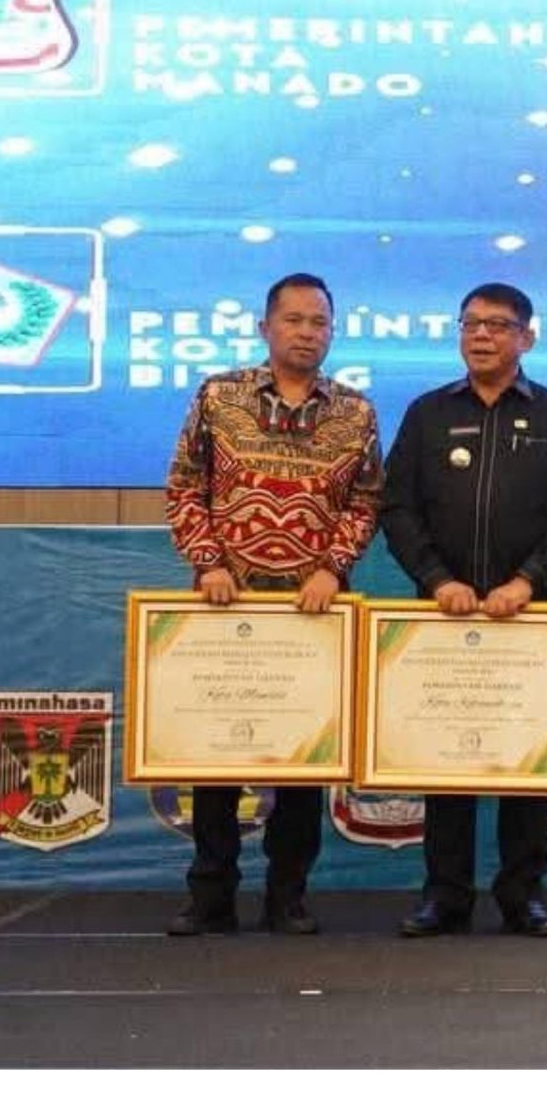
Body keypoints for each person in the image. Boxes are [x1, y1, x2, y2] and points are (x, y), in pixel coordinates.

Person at [160, 272, 381, 936]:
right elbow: (184, 485)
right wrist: (207, 561)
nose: (307, 332)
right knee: (218, 757)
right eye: (294, 320)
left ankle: (289, 894)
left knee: (304, 760)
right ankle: (211, 894)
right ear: (265, 328)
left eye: (319, 322)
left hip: (313, 613)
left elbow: (367, 501)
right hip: (226, 604)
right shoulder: (218, 395)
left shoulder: (356, 412)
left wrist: (333, 568)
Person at [378, 283, 547, 938]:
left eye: (498, 325)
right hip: (444, 614)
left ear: (526, 337)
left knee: (526, 757)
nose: (481, 335)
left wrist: (529, 580)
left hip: (530, 615)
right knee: (445, 757)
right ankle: (444, 895)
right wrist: (435, 578)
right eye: (470, 323)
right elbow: (398, 507)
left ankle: (522, 894)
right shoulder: (427, 413)